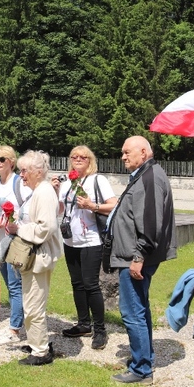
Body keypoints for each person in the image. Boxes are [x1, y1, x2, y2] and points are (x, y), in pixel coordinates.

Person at [108, 136, 176, 384]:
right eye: (122, 153)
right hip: (134, 256)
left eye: (127, 152)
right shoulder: (146, 174)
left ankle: (141, 369)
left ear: (144, 152)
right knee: (139, 309)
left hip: (135, 258)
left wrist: (139, 256)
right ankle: (144, 358)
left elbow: (150, 222)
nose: (123, 157)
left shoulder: (149, 178)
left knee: (132, 311)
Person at [54, 145, 117, 350]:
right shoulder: (67, 182)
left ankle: (100, 330)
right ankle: (83, 324)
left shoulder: (98, 180)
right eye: (74, 156)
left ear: (90, 160)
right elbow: (61, 209)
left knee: (91, 285)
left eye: (83, 157)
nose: (78, 159)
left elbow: (114, 205)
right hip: (70, 240)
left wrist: (92, 206)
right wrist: (56, 192)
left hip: (91, 239)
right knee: (77, 284)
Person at [7, 150, 62, 366]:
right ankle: (36, 342)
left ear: (38, 172)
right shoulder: (40, 190)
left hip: (40, 256)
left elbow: (45, 228)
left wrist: (19, 228)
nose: (21, 175)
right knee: (31, 301)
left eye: (24, 171)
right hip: (36, 256)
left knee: (33, 305)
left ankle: (41, 352)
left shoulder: (44, 192)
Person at [0, 145, 31, 346]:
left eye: (2, 159)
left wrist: (6, 223)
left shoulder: (18, 183)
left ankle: (14, 329)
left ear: (11, 162)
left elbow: (26, 213)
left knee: (15, 287)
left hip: (15, 242)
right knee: (10, 285)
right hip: (0, 242)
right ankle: (18, 324)